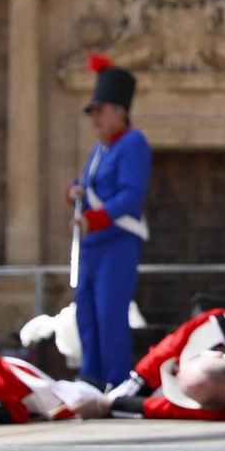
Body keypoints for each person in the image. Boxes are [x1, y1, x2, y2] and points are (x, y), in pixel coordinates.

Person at [67, 54, 150, 388]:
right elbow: (89, 186)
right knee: (86, 313)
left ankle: (114, 383)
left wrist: (95, 219)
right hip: (93, 243)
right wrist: (75, 192)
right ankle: (91, 376)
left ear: (119, 111)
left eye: (100, 112)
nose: (95, 120)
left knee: (109, 315)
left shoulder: (133, 142)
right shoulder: (98, 150)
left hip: (117, 241)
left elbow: (131, 195)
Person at [106, 306, 225, 421]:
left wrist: (111, 405)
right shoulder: (218, 324)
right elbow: (172, 345)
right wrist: (138, 381)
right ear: (217, 355)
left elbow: (173, 410)